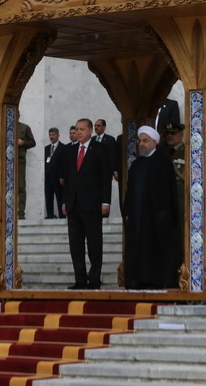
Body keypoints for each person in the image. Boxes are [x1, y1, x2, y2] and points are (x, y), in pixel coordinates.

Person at [122, 126, 181, 289]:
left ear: (154, 142)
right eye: (140, 141)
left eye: (145, 141)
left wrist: (165, 213)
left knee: (155, 248)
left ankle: (157, 280)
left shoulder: (163, 162)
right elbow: (130, 190)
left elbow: (169, 191)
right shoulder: (136, 164)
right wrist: (126, 210)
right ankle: (137, 280)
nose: (141, 144)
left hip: (157, 218)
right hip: (138, 216)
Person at [60, 118, 112, 289]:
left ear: (90, 131)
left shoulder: (100, 149)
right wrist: (65, 201)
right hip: (74, 204)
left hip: (93, 204)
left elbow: (106, 178)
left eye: (82, 129)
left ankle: (94, 279)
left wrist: (106, 202)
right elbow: (67, 179)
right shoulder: (70, 151)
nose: (79, 132)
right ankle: (80, 279)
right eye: (77, 129)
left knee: (94, 244)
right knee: (76, 245)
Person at [166, 122, 186, 262]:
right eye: (167, 133)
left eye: (173, 133)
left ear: (181, 134)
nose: (169, 136)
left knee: (181, 236)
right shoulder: (162, 152)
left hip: (181, 200)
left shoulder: (187, 153)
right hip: (166, 201)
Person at [16, 118, 36, 219]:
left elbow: (33, 142)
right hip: (4, 162)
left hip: (19, 161)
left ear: (18, 114)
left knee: (20, 186)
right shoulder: (3, 126)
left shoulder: (24, 127)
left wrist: (23, 142)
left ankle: (21, 211)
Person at [44, 127, 64, 219]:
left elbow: (64, 163)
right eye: (50, 135)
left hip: (58, 177)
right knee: (48, 198)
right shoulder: (46, 148)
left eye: (53, 135)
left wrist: (62, 176)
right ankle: (50, 215)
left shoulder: (63, 148)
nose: (51, 137)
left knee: (60, 198)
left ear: (58, 135)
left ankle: (61, 216)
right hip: (48, 178)